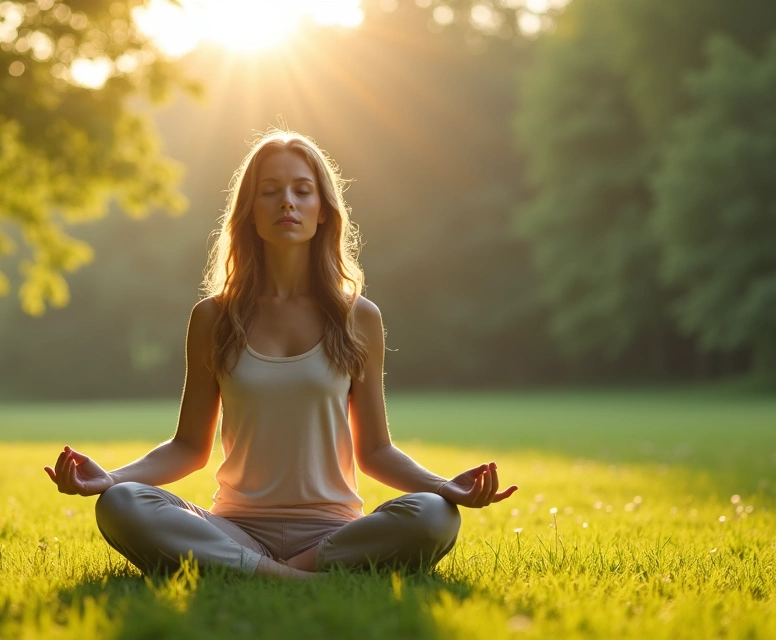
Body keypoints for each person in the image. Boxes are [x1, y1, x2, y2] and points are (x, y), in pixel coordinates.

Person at [44, 130, 518, 579]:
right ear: (250, 211)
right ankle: (291, 577)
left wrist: (441, 487)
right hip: (235, 528)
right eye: (269, 191)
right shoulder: (213, 317)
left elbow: (375, 451)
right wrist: (110, 479)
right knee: (121, 503)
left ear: (323, 210)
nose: (287, 201)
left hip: (332, 532)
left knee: (434, 515)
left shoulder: (359, 317)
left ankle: (255, 571)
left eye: (302, 190)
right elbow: (189, 447)